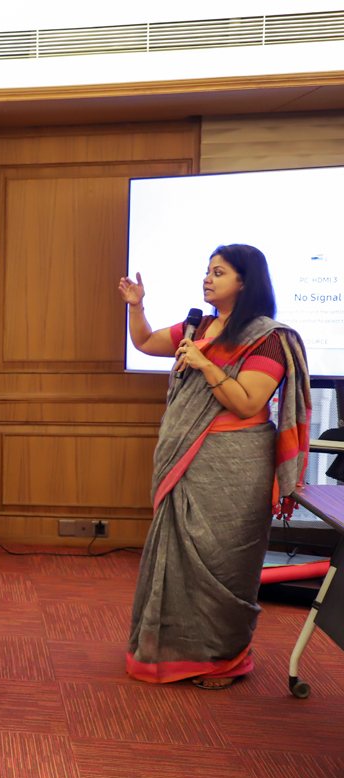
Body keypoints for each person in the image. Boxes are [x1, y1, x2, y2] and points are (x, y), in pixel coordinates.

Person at [119, 244, 311, 689]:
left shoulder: (268, 338)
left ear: (245, 281)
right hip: (187, 461)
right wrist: (137, 307)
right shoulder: (199, 326)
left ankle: (225, 659)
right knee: (178, 561)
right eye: (207, 270)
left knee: (224, 564)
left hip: (236, 466)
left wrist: (205, 363)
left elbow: (247, 403)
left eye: (219, 272)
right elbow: (144, 342)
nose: (207, 278)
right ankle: (171, 653)